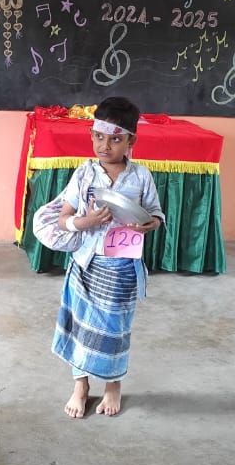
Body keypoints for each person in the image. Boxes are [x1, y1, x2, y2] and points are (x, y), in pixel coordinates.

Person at [51, 97, 164, 418]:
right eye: (99, 137)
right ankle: (81, 385)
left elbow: (156, 216)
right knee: (81, 326)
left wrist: (148, 225)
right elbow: (64, 218)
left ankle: (113, 386)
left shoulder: (141, 177)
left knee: (115, 328)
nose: (105, 145)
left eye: (115, 139)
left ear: (131, 140)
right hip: (86, 265)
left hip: (122, 269)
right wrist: (85, 223)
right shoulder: (85, 175)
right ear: (91, 134)